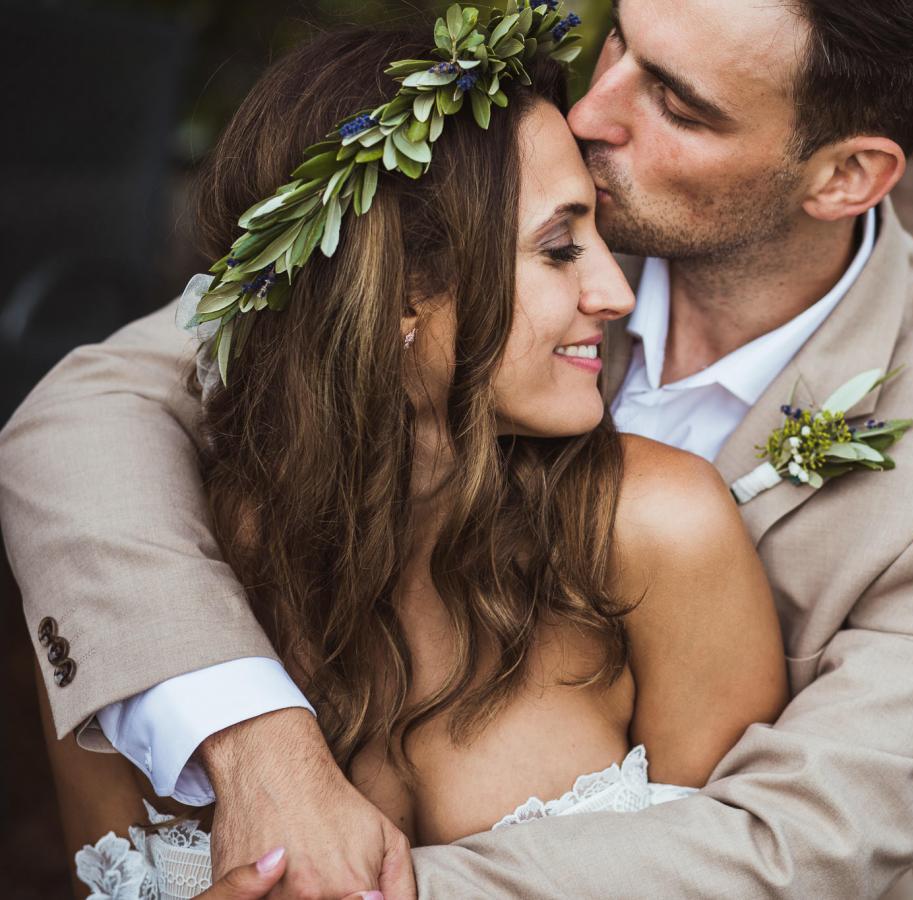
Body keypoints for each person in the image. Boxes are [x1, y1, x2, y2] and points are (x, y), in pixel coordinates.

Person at [2, 0, 913, 897]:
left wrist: (339, 885)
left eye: (678, 103)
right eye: (620, 40)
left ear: (844, 175)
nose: (592, 109)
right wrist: (252, 739)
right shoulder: (496, 193)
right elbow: (85, 416)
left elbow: (789, 846)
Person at [20, 12, 786, 899]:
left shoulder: (657, 532)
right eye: (559, 248)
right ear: (397, 301)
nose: (615, 292)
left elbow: (755, 870)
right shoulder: (131, 588)